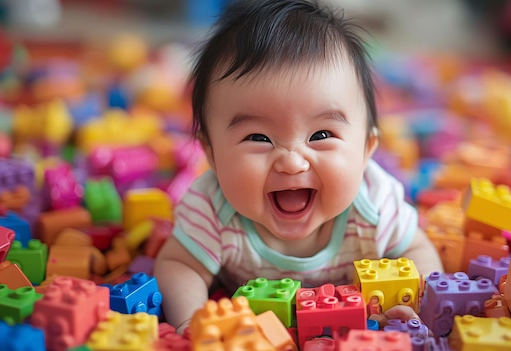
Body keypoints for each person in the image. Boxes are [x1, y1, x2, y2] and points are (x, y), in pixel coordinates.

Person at [154, 0, 443, 333]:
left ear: (366, 150)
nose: (292, 162)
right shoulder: (212, 211)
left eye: (321, 134)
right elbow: (179, 263)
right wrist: (191, 319)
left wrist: (411, 303)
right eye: (258, 137)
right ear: (212, 154)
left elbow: (417, 248)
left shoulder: (374, 207)